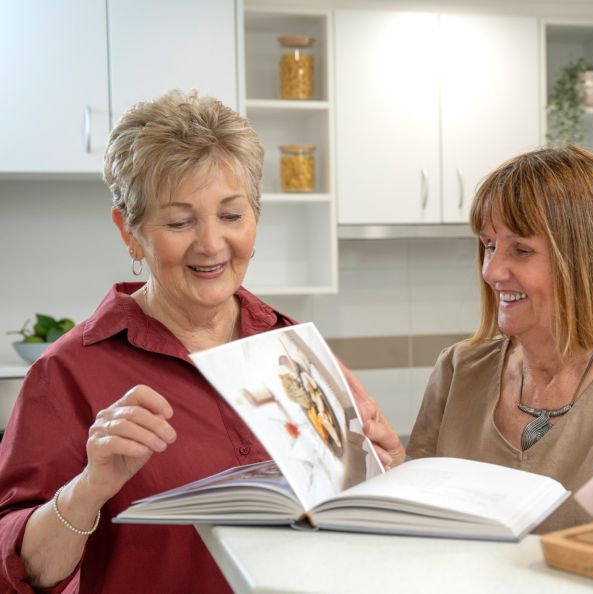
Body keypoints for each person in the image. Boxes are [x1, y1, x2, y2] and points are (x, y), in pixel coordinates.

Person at [0, 90, 404, 593]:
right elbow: (22, 570)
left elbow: (349, 534)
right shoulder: (67, 371)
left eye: (232, 216)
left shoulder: (292, 347)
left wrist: (384, 474)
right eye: (179, 221)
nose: (212, 244)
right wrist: (90, 488)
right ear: (129, 232)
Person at [407, 145, 593, 532]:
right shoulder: (458, 370)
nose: (492, 270)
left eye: (521, 250)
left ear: (589, 261)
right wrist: (378, 468)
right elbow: (414, 531)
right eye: (488, 245)